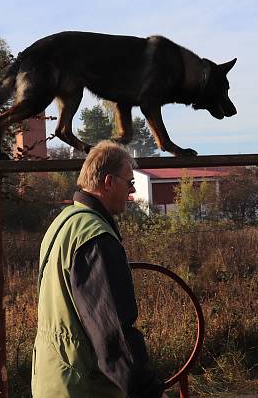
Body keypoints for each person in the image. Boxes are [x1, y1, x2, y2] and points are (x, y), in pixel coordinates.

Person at [31, 140, 166, 398]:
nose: (132, 190)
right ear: (108, 182)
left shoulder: (63, 223)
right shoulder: (95, 238)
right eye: (129, 182)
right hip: (84, 386)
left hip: (53, 379)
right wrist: (149, 391)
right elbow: (113, 333)